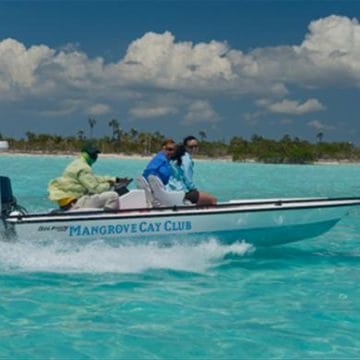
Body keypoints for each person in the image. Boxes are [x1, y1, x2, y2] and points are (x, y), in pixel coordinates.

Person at [48, 142, 120, 211]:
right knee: (113, 196)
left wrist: (114, 179)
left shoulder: (76, 163)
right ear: (86, 154)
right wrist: (109, 185)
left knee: (93, 194)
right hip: (75, 204)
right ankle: (107, 221)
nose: (95, 156)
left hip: (68, 203)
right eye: (93, 154)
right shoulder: (84, 168)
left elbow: (94, 178)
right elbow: (96, 189)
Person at [167, 136, 217, 205]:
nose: (194, 149)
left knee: (203, 197)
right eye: (191, 147)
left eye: (196, 146)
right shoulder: (186, 159)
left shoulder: (179, 156)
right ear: (185, 147)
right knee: (213, 199)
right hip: (182, 191)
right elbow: (187, 179)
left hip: (172, 189)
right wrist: (194, 190)